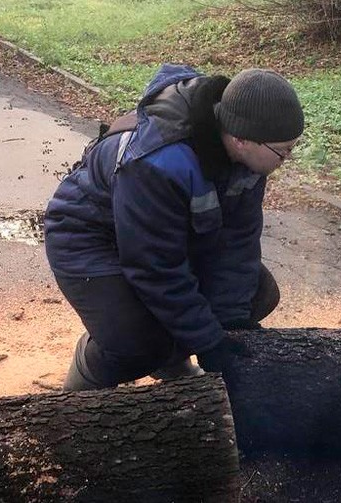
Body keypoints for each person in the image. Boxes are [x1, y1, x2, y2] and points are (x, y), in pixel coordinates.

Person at [45, 65, 304, 389]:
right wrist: (208, 342)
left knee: (258, 294)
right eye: (284, 151)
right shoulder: (159, 161)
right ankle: (78, 393)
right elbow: (155, 268)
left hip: (166, 234)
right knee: (135, 344)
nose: (287, 160)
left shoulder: (250, 159)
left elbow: (237, 244)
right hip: (87, 236)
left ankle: (169, 362)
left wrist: (230, 327)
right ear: (240, 139)